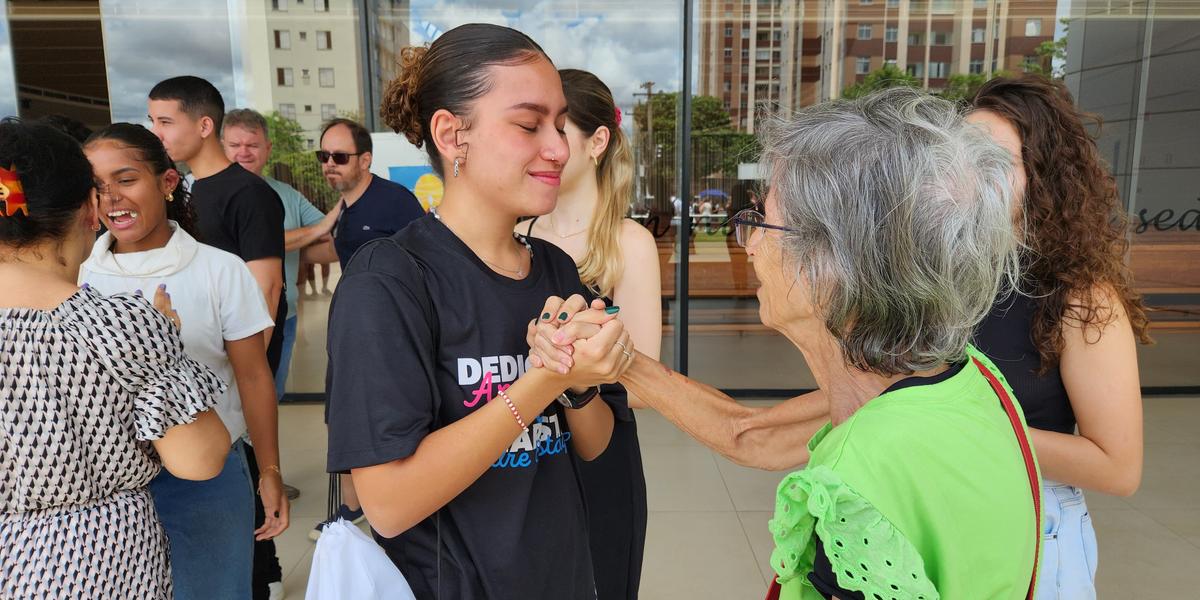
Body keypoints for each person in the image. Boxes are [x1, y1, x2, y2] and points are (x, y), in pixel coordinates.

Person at [534, 89, 1043, 598]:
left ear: (833, 263)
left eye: (763, 222)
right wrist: (621, 360)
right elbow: (749, 433)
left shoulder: (860, 484)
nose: (749, 244)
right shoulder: (963, 379)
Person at [325, 23, 632, 599]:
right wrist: (542, 381)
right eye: (528, 124)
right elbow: (388, 504)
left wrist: (583, 384)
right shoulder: (388, 280)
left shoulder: (556, 269)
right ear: (451, 134)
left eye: (560, 123)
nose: (559, 147)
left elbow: (595, 442)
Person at [0, 118, 230, 599]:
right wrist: (164, 345)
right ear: (90, 207)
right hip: (102, 564)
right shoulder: (120, 326)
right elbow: (200, 460)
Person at [79, 123, 290, 600]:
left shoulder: (219, 270)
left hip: (206, 479)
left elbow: (253, 375)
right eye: (96, 186)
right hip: (107, 486)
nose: (111, 198)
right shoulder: (77, 276)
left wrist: (270, 471)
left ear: (168, 183)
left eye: (126, 179)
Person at [968, 75, 1151, 599]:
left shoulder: (1080, 298)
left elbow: (1119, 468)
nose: (972, 175)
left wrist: (960, 427)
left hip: (1033, 530)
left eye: (995, 160)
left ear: (1044, 175)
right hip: (941, 513)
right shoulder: (943, 283)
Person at [148, 76, 291, 600]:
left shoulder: (248, 193)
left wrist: (242, 366)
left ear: (204, 125)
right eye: (152, 121)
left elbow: (267, 286)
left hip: (232, 368)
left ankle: (258, 577)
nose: (156, 132)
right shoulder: (182, 192)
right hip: (190, 368)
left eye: (166, 121)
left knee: (246, 469)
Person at [520, 68, 659, 600]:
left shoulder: (628, 243)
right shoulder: (516, 236)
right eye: (533, 130)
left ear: (598, 141)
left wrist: (572, 362)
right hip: (523, 450)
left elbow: (644, 385)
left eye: (558, 129)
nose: (544, 147)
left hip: (600, 458)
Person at [306, 116, 425, 540]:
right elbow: (338, 253)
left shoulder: (395, 201)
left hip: (389, 332)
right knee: (342, 417)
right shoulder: (345, 209)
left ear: (366, 159)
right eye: (324, 156)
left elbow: (426, 261)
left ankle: (384, 505)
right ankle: (354, 507)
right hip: (350, 326)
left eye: (340, 156)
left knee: (379, 420)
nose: (329, 164)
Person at [223, 108, 340, 407]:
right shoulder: (207, 191)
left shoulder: (285, 194)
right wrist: (313, 231)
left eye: (252, 145)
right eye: (235, 145)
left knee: (268, 402)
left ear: (267, 149)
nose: (243, 153)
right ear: (222, 144)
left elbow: (328, 240)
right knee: (227, 408)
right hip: (225, 323)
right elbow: (246, 246)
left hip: (281, 317)